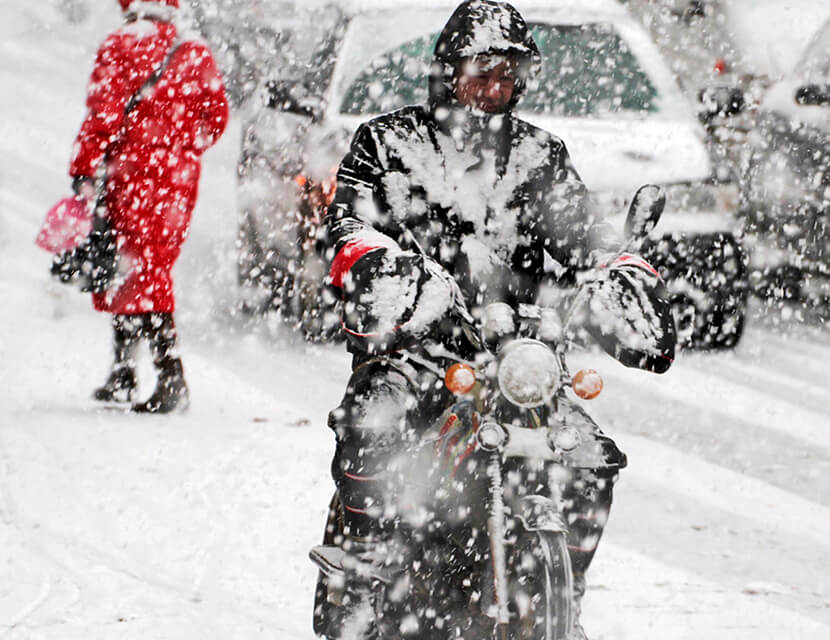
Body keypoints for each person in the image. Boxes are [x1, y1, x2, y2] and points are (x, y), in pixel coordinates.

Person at [321, 0, 675, 637]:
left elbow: (582, 234)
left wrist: (616, 269)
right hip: (419, 346)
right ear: (448, 71)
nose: (494, 88)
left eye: (507, 75)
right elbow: (351, 225)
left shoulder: (540, 155)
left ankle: (563, 597)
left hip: (515, 356)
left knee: (587, 458)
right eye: (481, 73)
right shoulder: (387, 142)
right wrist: (389, 269)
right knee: (377, 416)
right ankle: (366, 568)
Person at [68, 0, 229, 413]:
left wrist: (84, 168)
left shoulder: (121, 44)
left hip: (130, 177)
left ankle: (169, 377)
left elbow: (101, 116)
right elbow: (217, 117)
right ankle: (125, 372)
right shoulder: (193, 50)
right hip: (177, 182)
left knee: (136, 269)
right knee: (144, 268)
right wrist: (182, 149)